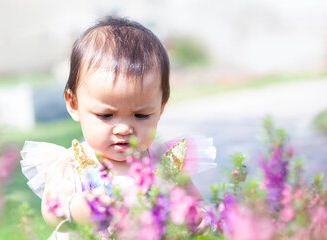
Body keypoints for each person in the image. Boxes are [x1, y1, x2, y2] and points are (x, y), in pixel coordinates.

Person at [20, 16, 216, 239]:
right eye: (106, 115)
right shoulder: (71, 163)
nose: (123, 128)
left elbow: (195, 202)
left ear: (161, 107)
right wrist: (81, 208)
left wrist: (199, 216)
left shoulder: (165, 163)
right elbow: (52, 210)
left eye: (141, 115)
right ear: (74, 104)